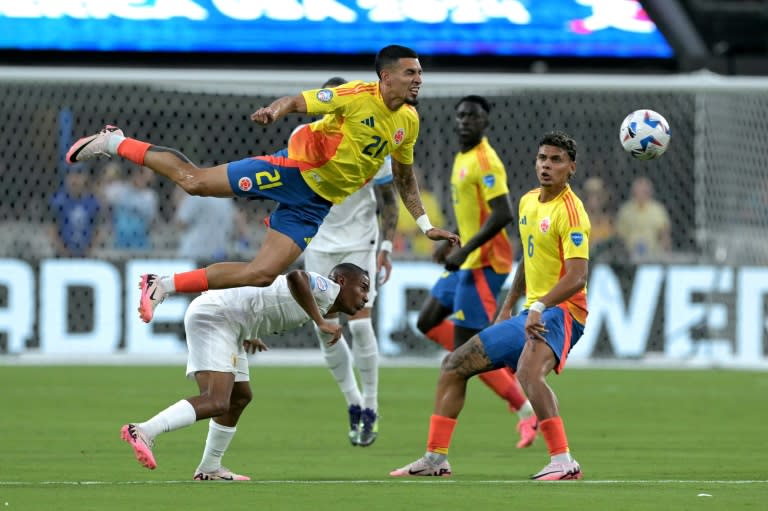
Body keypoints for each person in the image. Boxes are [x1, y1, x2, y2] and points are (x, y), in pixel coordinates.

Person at [65, 44, 459, 323]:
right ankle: (114, 140)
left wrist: (426, 226)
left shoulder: (409, 121)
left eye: (420, 72)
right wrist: (275, 109)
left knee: (261, 274)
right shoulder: (355, 95)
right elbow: (297, 101)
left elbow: (405, 178)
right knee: (195, 182)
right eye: (411, 72)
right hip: (294, 171)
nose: (418, 79)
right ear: (386, 76)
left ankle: (161, 284)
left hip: (315, 204)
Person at [390, 131, 590, 481]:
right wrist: (509, 304)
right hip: (533, 310)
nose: (547, 165)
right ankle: (436, 459)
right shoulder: (529, 202)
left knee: (529, 373)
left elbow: (576, 277)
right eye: (543, 158)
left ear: (571, 168)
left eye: (556, 160)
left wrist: (540, 307)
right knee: (454, 364)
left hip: (564, 312)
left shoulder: (572, 212)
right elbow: (530, 259)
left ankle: (563, 461)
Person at [120, 263, 371, 480]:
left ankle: (210, 468)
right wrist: (320, 321)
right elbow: (296, 277)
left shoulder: (326, 303)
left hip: (234, 326)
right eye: (363, 287)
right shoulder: (328, 288)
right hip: (217, 317)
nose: (366, 297)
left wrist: (252, 332)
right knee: (216, 400)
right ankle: (143, 430)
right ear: (341, 281)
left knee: (240, 396)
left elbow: (267, 302)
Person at [415, 95, 537, 449]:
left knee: (464, 357)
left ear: (486, 123)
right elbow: (474, 211)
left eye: (474, 116)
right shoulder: (462, 157)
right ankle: (506, 358)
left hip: (486, 264)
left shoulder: (487, 161)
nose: (466, 121)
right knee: (427, 321)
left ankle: (526, 410)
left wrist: (466, 249)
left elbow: (502, 214)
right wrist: (453, 240)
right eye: (462, 115)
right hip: (466, 258)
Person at [301, 76, 399, 447]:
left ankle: (372, 407)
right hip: (320, 242)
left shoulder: (374, 141)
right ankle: (354, 402)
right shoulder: (308, 138)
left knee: (359, 325)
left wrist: (386, 247)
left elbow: (389, 201)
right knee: (323, 326)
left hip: (360, 241)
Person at [101, 163, 158, 251]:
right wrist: (108, 176)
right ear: (134, 174)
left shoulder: (149, 196)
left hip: (141, 241)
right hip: (120, 240)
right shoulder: (119, 189)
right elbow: (102, 195)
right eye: (140, 175)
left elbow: (152, 221)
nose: (141, 179)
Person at [49, 167, 103, 257]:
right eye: (71, 175)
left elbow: (98, 230)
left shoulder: (93, 202)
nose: (75, 179)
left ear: (85, 177)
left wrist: (89, 250)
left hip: (86, 253)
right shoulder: (58, 201)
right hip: (61, 253)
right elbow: (52, 229)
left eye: (78, 175)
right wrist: (64, 251)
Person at [615, 176, 671, 262]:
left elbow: (664, 234)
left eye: (644, 191)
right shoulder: (625, 210)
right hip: (629, 255)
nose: (641, 194)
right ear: (633, 192)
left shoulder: (657, 209)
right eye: (638, 191)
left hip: (653, 254)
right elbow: (619, 236)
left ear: (649, 193)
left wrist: (664, 253)